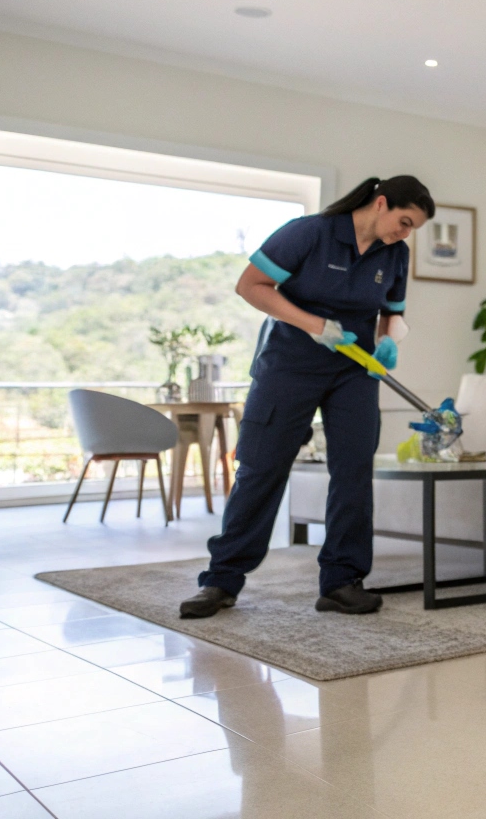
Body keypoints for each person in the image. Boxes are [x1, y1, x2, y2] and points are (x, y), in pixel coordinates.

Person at [180, 176, 434, 619]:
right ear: (381, 203)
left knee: (353, 470)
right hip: (289, 365)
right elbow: (252, 285)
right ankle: (221, 581)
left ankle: (341, 581)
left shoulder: (395, 254)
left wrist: (388, 341)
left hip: (353, 370)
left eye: (413, 228)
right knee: (262, 468)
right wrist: (315, 325)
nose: (405, 232)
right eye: (404, 221)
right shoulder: (310, 233)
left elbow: (392, 313)